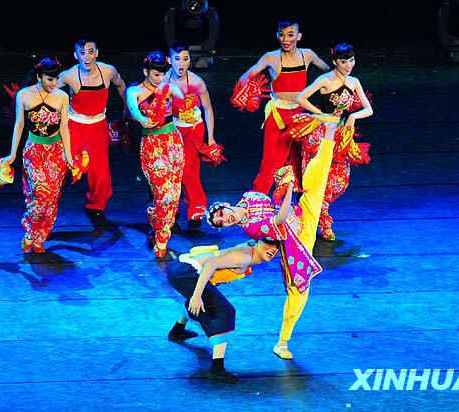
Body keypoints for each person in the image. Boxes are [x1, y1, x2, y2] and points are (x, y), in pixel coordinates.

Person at [207, 120, 338, 359]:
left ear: (225, 205)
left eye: (222, 214)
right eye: (222, 223)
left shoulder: (250, 196)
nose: (226, 219)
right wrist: (289, 188)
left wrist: (283, 181)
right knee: (299, 292)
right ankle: (282, 343)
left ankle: (330, 132)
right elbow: (278, 220)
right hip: (295, 243)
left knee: (315, 183)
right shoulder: (251, 228)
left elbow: (274, 203)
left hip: (302, 215)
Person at [166, 238, 281, 384]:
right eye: (269, 243)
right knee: (226, 312)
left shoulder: (249, 248)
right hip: (185, 273)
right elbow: (211, 264)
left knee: (204, 301)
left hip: (180, 270)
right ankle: (217, 369)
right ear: (258, 242)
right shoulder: (245, 256)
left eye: (276, 247)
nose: (272, 249)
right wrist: (196, 294)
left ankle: (177, 331)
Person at [238, 19, 330, 194]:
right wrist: (248, 91)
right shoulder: (271, 57)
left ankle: (301, 199)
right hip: (278, 114)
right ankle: (258, 199)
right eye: (282, 35)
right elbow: (246, 77)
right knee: (271, 161)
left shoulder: (307, 55)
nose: (285, 39)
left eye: (290, 35)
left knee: (301, 158)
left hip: (300, 113)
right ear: (277, 35)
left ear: (299, 36)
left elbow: (328, 73)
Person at [294, 43, 373, 241]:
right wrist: (321, 114)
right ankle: (324, 223)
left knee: (339, 181)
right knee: (316, 180)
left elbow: (369, 109)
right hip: (319, 137)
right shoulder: (325, 80)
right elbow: (300, 97)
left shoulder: (354, 82)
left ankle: (315, 214)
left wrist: (353, 116)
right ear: (335, 62)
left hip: (341, 136)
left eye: (351, 60)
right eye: (344, 62)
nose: (349, 65)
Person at [0, 57, 75, 252]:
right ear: (39, 76)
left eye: (56, 79)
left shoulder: (62, 97)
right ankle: (30, 230)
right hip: (34, 151)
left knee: (52, 199)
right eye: (50, 79)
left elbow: (64, 128)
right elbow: (19, 124)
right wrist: (12, 154)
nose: (54, 83)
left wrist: (69, 156)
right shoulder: (24, 95)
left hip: (56, 152)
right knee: (40, 195)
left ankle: (41, 237)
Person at [57, 37, 127, 219]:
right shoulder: (69, 75)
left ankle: (95, 204)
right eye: (82, 53)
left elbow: (121, 86)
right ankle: (47, 199)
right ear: (76, 55)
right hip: (74, 126)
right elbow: (47, 90)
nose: (87, 57)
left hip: (98, 126)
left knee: (100, 172)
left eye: (90, 52)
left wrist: (128, 109)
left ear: (97, 53)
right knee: (63, 166)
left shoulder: (108, 71)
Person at [126, 51, 185, 259]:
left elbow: (185, 103)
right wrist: (140, 118)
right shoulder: (135, 91)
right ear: (146, 72)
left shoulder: (169, 88)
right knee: (162, 194)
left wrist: (189, 109)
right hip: (152, 146)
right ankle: (160, 230)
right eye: (156, 74)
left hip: (173, 143)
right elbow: (133, 109)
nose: (160, 78)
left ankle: (161, 233)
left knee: (174, 194)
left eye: (163, 74)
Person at [167, 42, 218, 230]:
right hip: (172, 128)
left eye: (185, 59)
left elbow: (208, 109)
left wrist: (210, 138)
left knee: (189, 170)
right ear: (169, 60)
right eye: (177, 59)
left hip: (194, 129)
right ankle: (170, 210)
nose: (181, 63)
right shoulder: (163, 81)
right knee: (171, 170)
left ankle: (196, 209)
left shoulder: (197, 82)